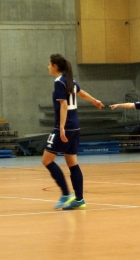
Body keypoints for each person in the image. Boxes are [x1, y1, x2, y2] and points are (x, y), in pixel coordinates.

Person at [42, 54, 104, 210]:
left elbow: (63, 106)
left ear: (55, 66)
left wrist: (61, 127)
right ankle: (79, 199)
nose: (48, 67)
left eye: (49, 64)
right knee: (72, 163)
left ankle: (66, 194)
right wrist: (94, 100)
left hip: (65, 125)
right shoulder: (70, 80)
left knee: (47, 160)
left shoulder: (59, 82)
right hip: (75, 126)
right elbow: (81, 93)